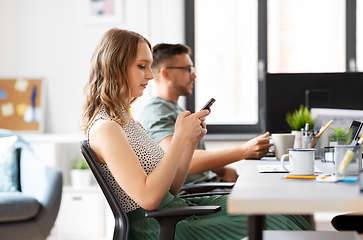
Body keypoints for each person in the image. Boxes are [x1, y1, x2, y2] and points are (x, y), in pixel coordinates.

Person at [80, 28, 314, 240]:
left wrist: (189, 143)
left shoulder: (127, 121)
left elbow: (170, 189)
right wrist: (179, 139)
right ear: (115, 67)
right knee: (272, 220)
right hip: (154, 225)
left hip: (171, 211)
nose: (150, 76)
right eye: (142, 66)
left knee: (275, 208)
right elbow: (149, 199)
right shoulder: (106, 128)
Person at [139, 43, 271, 184]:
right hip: (196, 193)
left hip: (208, 185)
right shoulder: (156, 111)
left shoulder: (176, 110)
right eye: (188, 69)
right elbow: (180, 160)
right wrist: (244, 151)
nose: (194, 75)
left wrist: (223, 170)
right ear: (166, 73)